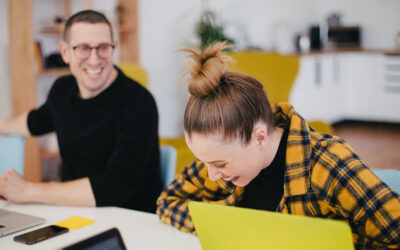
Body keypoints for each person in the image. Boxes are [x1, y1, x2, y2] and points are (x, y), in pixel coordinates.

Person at [156, 42, 400, 249]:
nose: (212, 174)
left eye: (219, 164)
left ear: (260, 137)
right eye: (205, 162)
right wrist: (228, 225)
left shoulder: (327, 163)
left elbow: (394, 233)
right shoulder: (221, 159)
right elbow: (167, 202)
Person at [0, 10, 162, 213]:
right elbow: (35, 121)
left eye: (103, 48)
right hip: (73, 213)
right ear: (65, 52)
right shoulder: (62, 90)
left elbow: (116, 186)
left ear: (114, 48)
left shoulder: (139, 103)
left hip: (130, 221)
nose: (94, 60)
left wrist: (28, 191)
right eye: (83, 48)